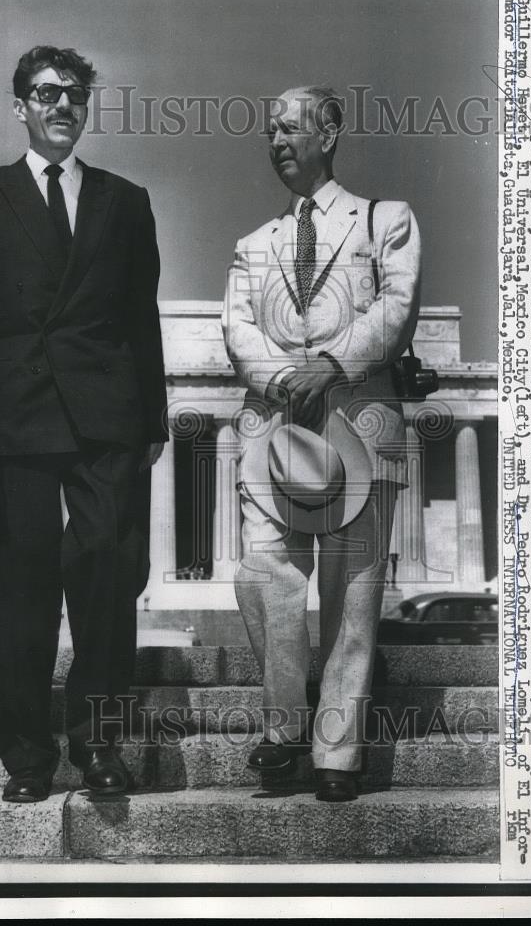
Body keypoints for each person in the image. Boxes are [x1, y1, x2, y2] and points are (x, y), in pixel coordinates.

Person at [0, 46, 168, 801]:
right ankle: (29, 760)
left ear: (86, 105)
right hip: (16, 408)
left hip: (107, 413)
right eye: (44, 93)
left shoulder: (124, 200)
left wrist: (153, 421)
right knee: (16, 586)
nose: (60, 104)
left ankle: (98, 746)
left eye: (73, 93)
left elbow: (141, 316)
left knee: (104, 573)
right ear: (21, 107)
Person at [222, 85, 421, 802]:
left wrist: (330, 365)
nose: (275, 141)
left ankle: (336, 753)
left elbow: (394, 308)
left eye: (288, 127)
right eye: (268, 130)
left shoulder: (384, 221)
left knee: (351, 587)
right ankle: (281, 736)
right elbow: (238, 328)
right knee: (262, 572)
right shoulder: (251, 246)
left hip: (357, 418)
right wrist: (282, 378)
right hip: (273, 424)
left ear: (328, 131)